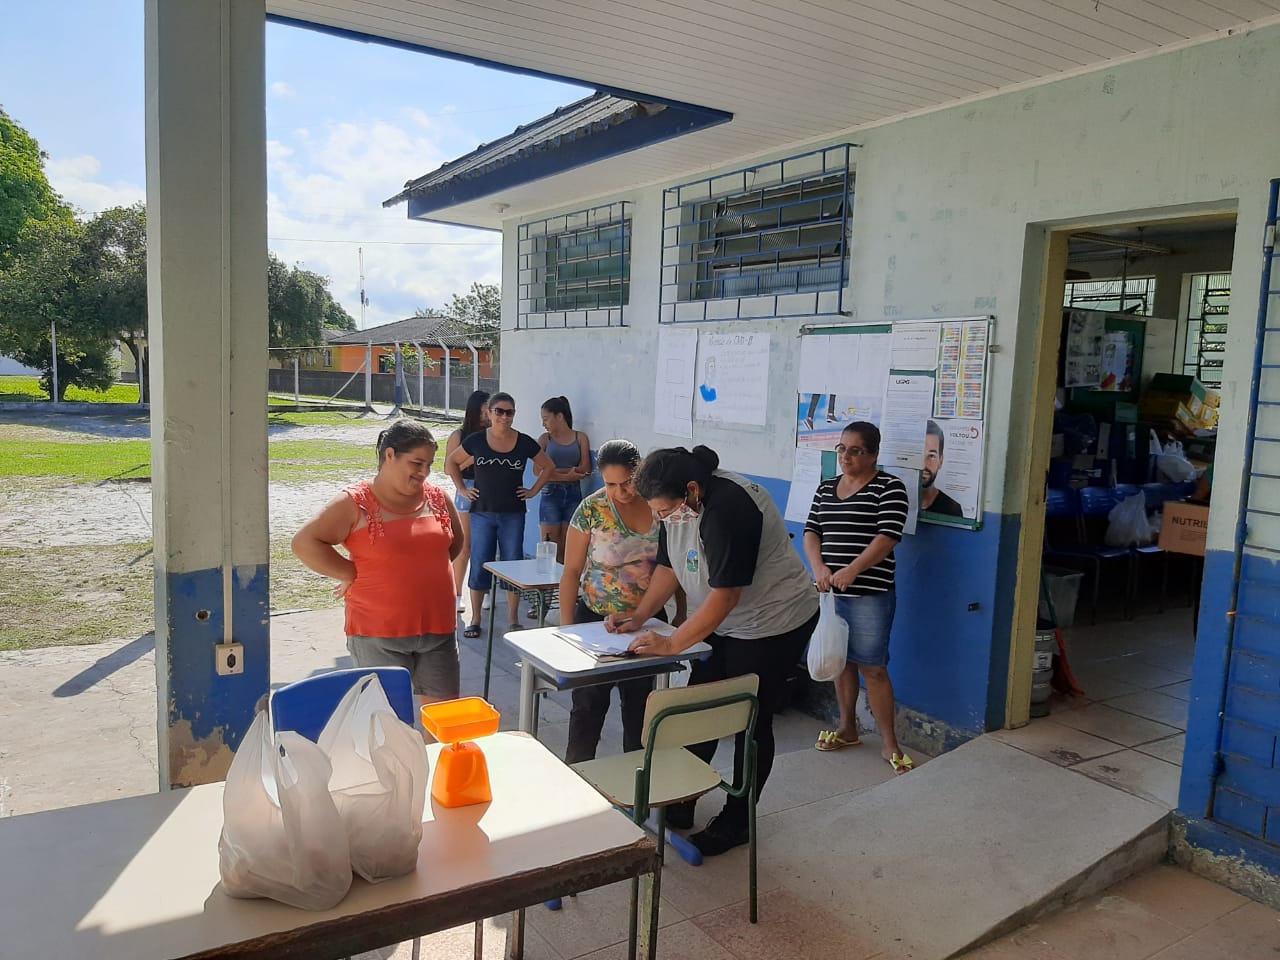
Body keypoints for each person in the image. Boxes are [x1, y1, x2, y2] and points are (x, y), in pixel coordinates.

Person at [607, 445, 819, 857]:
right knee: (699, 706)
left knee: (748, 717)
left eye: (665, 511)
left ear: (691, 490)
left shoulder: (729, 508)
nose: (662, 519)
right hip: (725, 619)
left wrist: (671, 643)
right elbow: (668, 567)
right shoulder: (675, 500)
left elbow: (726, 596)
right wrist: (640, 614)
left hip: (773, 621)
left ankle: (737, 820)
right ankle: (682, 798)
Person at [291, 419, 463, 712]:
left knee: (444, 721)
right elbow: (305, 542)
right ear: (390, 455)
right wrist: (348, 572)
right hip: (377, 635)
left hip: (439, 632)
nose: (424, 472)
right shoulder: (355, 502)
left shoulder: (437, 498)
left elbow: (454, 545)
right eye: (417, 463)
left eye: (429, 465)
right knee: (386, 727)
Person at [559, 439, 685, 763]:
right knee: (587, 706)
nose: (621, 491)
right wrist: (565, 630)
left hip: (647, 623)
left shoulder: (659, 507)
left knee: (641, 708)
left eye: (627, 482)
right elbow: (571, 571)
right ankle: (578, 779)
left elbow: (674, 566)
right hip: (595, 620)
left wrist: (682, 613)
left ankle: (637, 787)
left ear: (639, 472)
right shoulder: (591, 509)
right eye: (610, 484)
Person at [802, 422, 913, 774]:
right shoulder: (826, 488)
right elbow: (811, 531)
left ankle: (889, 743)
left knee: (874, 667)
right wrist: (819, 567)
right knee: (841, 661)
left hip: (870, 593)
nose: (845, 457)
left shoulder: (889, 488)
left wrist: (853, 569)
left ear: (873, 454)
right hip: (831, 595)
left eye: (855, 450)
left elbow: (888, 536)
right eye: (842, 449)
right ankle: (847, 728)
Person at [446, 391, 555, 638]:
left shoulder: (524, 441)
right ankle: (475, 619)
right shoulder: (476, 441)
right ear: (489, 413)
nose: (504, 417)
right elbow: (451, 463)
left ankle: (513, 619)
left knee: (512, 563)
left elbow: (548, 466)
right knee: (480, 562)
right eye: (499, 412)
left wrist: (533, 490)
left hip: (513, 514)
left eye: (510, 412)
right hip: (482, 513)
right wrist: (463, 489)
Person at [445, 389, 490, 611]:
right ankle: (456, 594)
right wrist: (472, 457)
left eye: (488, 412)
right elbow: (448, 467)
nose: (487, 416)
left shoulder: (494, 433)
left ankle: (486, 590)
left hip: (491, 491)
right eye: (483, 412)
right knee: (465, 546)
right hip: (468, 490)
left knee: (488, 545)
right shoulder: (459, 435)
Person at [537, 395, 591, 562]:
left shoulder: (580, 438)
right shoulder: (545, 440)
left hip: (574, 493)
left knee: (569, 546)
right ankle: (548, 586)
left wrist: (555, 472)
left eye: (546, 419)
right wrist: (568, 475)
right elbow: (538, 470)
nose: (543, 424)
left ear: (559, 416)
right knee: (549, 546)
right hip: (550, 493)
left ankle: (562, 585)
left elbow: (586, 468)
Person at [921, 419, 963, 517]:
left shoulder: (952, 509)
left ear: (940, 461)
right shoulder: (896, 500)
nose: (923, 464)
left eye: (931, 455)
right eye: (919, 454)